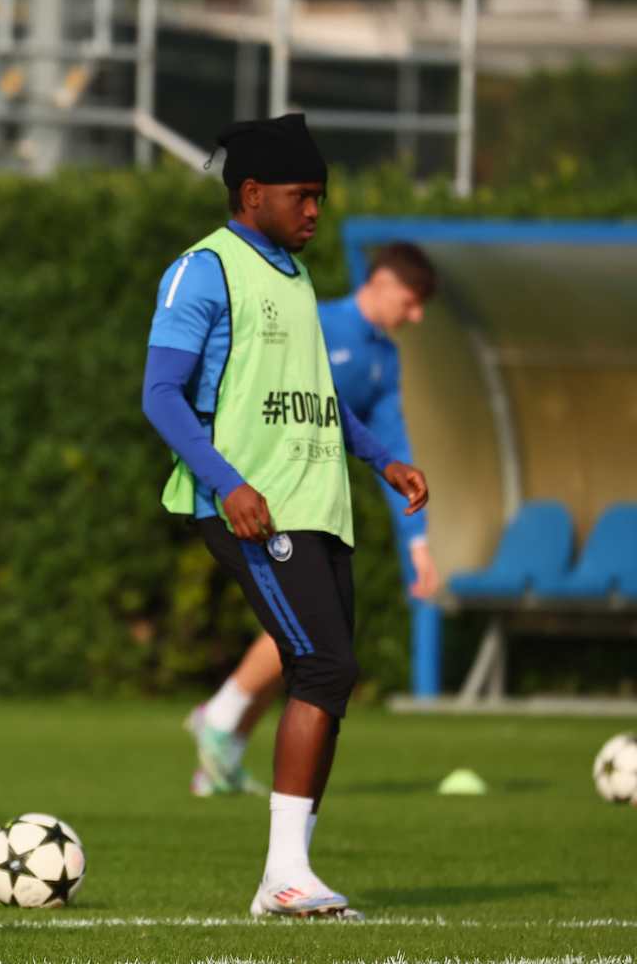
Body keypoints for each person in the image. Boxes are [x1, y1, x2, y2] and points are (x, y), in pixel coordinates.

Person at [140, 113, 428, 919]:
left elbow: (320, 396)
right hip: (253, 511)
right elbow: (160, 395)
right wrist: (228, 484)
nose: (314, 211)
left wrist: (381, 459)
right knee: (324, 668)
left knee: (329, 675)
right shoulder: (204, 270)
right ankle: (286, 874)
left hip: (319, 505)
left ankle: (287, 874)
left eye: (320, 197)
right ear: (251, 193)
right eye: (301, 195)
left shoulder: (297, 277)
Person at [185, 243, 442, 796]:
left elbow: (392, 442)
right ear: (382, 282)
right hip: (265, 493)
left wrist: (418, 545)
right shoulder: (314, 321)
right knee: (306, 627)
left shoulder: (384, 358)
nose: (417, 315)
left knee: (298, 634)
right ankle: (221, 716)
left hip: (317, 501)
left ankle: (221, 761)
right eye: (412, 300)